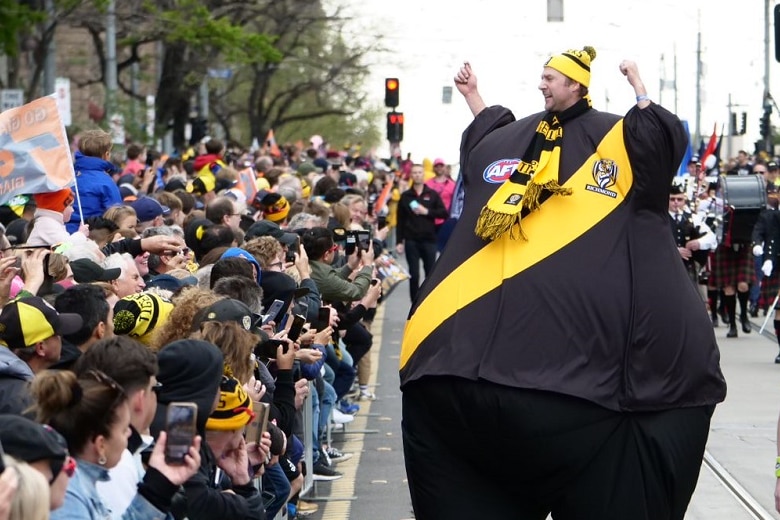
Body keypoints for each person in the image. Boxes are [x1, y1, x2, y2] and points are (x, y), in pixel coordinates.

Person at [400, 50, 727, 520]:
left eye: (550, 78)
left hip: (456, 368)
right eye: (541, 77)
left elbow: (654, 139)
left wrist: (642, 94)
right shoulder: (517, 140)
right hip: (574, 391)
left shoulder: (619, 141)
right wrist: (474, 98)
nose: (542, 85)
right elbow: (486, 142)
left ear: (576, 85)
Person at [31, 369, 202, 519]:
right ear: (100, 445)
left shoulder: (79, 482)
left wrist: (159, 485)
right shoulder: (69, 497)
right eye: (123, 429)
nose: (129, 433)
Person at [396, 164, 449, 303]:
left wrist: (427, 212)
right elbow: (400, 220)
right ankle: (414, 305)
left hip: (429, 239)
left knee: (430, 273)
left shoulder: (432, 194)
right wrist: (398, 242)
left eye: (420, 172)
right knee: (414, 274)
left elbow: (444, 213)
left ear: (424, 174)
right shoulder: (406, 196)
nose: (417, 175)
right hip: (411, 240)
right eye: (414, 172)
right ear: (411, 175)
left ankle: (429, 303)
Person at [66, 129, 123, 234]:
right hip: (93, 237)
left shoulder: (67, 177)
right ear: (106, 154)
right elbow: (117, 215)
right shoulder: (106, 182)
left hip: (63, 234)